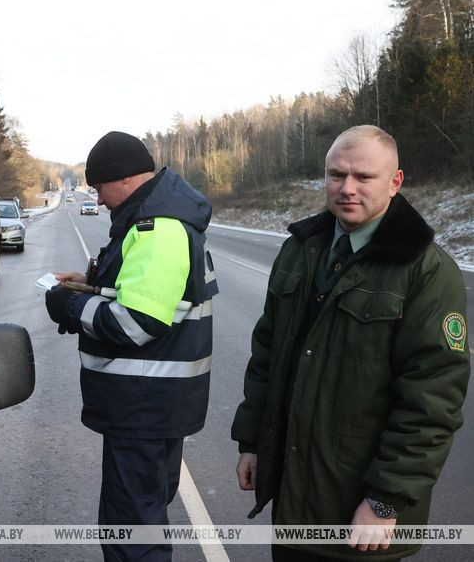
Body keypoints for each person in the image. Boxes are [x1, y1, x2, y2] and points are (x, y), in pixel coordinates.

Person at [231, 125, 470, 561]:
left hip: (362, 514)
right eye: (336, 175)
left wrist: (385, 500)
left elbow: (431, 401)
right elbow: (267, 357)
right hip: (292, 501)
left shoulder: (426, 273)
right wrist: (252, 443)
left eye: (364, 177)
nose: (347, 188)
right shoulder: (299, 251)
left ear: (395, 182)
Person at [44, 131, 218, 561]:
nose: (99, 201)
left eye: (99, 189)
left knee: (132, 534)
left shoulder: (157, 229)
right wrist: (87, 286)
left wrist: (70, 306)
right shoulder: (158, 219)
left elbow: (137, 322)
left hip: (144, 408)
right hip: (151, 406)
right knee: (140, 519)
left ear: (122, 180)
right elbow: (145, 297)